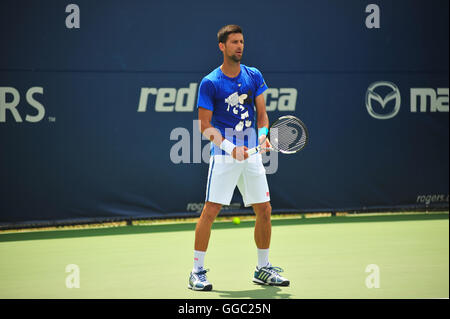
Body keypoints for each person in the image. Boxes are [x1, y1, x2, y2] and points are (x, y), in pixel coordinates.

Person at [188, 25, 289, 291]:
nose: (239, 46)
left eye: (242, 41)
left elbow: (262, 115)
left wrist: (264, 135)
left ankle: (262, 268)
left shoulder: (253, 75)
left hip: (252, 155)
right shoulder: (210, 82)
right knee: (211, 210)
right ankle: (196, 272)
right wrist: (230, 148)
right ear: (222, 46)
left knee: (264, 210)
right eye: (234, 42)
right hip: (224, 155)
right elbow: (205, 127)